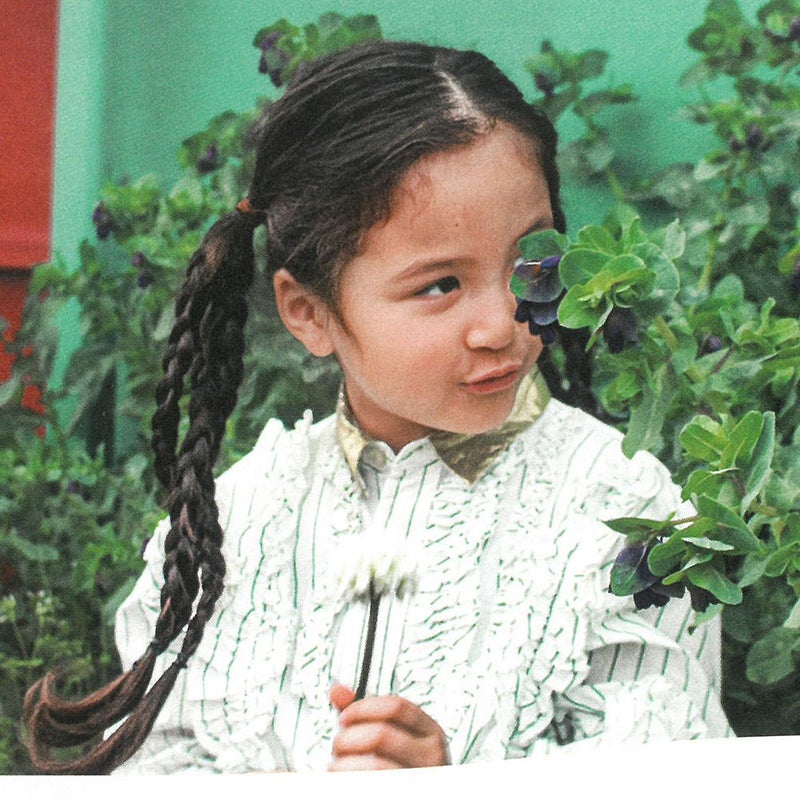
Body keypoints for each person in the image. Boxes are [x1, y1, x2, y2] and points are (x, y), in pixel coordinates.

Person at [23, 39, 731, 775]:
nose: (502, 323)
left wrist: (455, 786)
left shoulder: (623, 514)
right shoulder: (235, 526)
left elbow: (676, 770)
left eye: (530, 263)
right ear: (309, 313)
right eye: (440, 285)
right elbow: (160, 767)